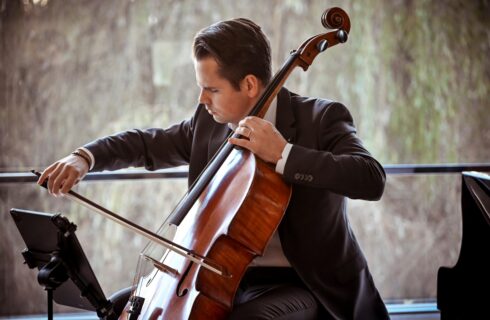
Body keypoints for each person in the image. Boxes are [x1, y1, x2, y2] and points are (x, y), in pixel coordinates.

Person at [38, 18, 390, 320]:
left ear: (250, 85)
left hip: (301, 284)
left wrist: (284, 153)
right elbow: (147, 143)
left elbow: (370, 178)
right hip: (217, 278)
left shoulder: (321, 119)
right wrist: (84, 157)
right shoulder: (210, 125)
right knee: (118, 308)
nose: (202, 101)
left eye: (212, 90)